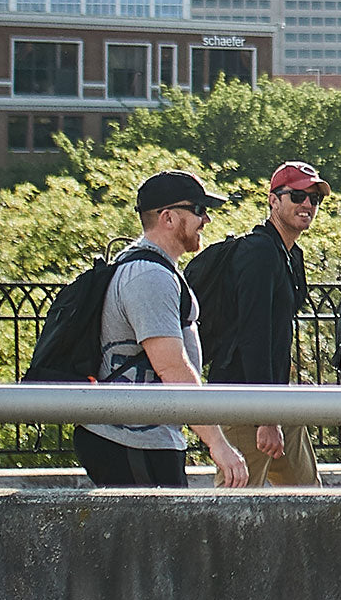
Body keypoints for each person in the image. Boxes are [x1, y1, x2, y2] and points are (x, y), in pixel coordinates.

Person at [73, 170, 248, 488]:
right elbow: (172, 368)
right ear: (167, 217)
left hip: (142, 436)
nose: (206, 219)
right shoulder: (149, 277)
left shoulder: (149, 267)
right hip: (133, 438)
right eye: (198, 209)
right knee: (166, 537)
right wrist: (218, 444)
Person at [209, 161, 327, 487]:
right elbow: (253, 336)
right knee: (235, 506)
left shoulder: (290, 254)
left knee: (310, 502)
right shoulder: (259, 253)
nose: (307, 205)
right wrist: (266, 416)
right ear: (273, 200)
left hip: (277, 402)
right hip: (245, 402)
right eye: (298, 196)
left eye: (314, 199)